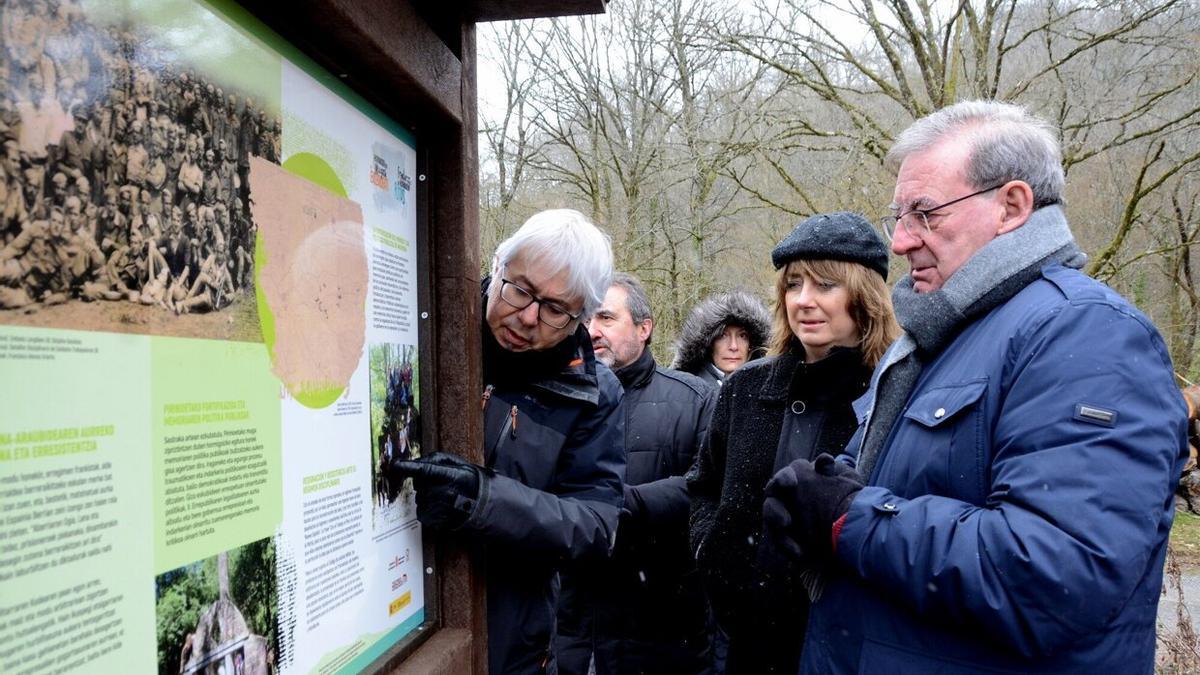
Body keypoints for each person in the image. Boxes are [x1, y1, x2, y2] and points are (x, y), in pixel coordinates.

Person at [763, 100, 1188, 674]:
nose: (901, 241)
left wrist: (850, 519)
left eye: (925, 214)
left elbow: (1052, 576)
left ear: (1011, 206)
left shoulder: (1088, 334)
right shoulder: (945, 335)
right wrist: (819, 494)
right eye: (898, 217)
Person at [389, 209, 626, 675]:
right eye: (520, 289)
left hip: (512, 641)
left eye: (555, 309)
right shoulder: (424, 328)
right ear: (498, 264)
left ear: (581, 318)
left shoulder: (595, 394)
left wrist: (484, 500)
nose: (528, 317)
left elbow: (597, 525)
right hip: (398, 616)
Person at [687, 213, 898, 674]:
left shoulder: (891, 393)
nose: (804, 300)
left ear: (864, 295)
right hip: (742, 644)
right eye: (794, 284)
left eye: (825, 285)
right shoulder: (745, 387)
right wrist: (711, 552)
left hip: (844, 648)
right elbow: (703, 485)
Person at [556, 272, 716, 675]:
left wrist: (615, 503)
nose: (592, 331)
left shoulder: (696, 399)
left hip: (662, 632)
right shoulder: (557, 399)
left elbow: (707, 488)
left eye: (607, 318)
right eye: (586, 319)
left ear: (645, 329)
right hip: (575, 631)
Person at [671, 291, 770, 388]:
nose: (733, 346)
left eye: (742, 336)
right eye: (722, 336)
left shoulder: (768, 388)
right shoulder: (684, 389)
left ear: (752, 344)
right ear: (709, 343)